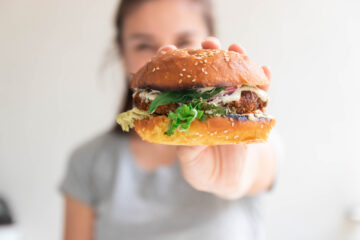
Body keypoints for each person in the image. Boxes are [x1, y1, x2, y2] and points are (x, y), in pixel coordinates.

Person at [60, 0, 278, 239]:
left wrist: (235, 180)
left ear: (210, 41)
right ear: (122, 53)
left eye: (184, 41)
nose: (168, 54)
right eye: (143, 45)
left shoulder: (249, 145)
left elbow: (256, 168)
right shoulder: (87, 162)